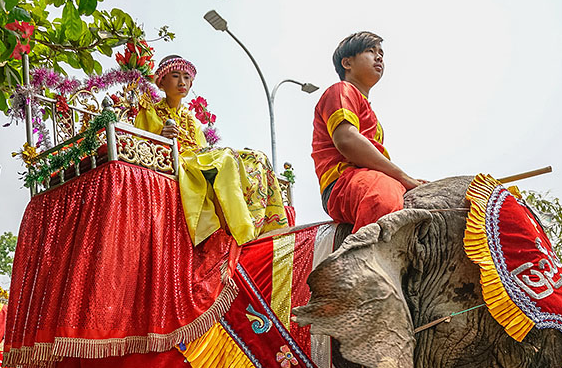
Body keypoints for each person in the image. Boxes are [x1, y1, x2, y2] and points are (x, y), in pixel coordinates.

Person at [134, 55, 288, 246]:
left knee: (257, 158)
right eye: (175, 76)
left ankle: (271, 228)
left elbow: (202, 147)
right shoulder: (149, 111)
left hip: (200, 156)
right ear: (162, 82)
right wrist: (160, 135)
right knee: (226, 158)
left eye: (186, 77)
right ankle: (243, 232)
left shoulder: (192, 119)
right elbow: (140, 146)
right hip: (182, 162)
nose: (182, 82)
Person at [311, 31, 425, 233]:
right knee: (382, 196)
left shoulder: (371, 114)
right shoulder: (341, 90)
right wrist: (403, 177)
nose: (379, 57)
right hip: (342, 182)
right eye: (370, 51)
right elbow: (347, 140)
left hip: (371, 176)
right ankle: (360, 261)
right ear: (347, 63)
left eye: (381, 53)